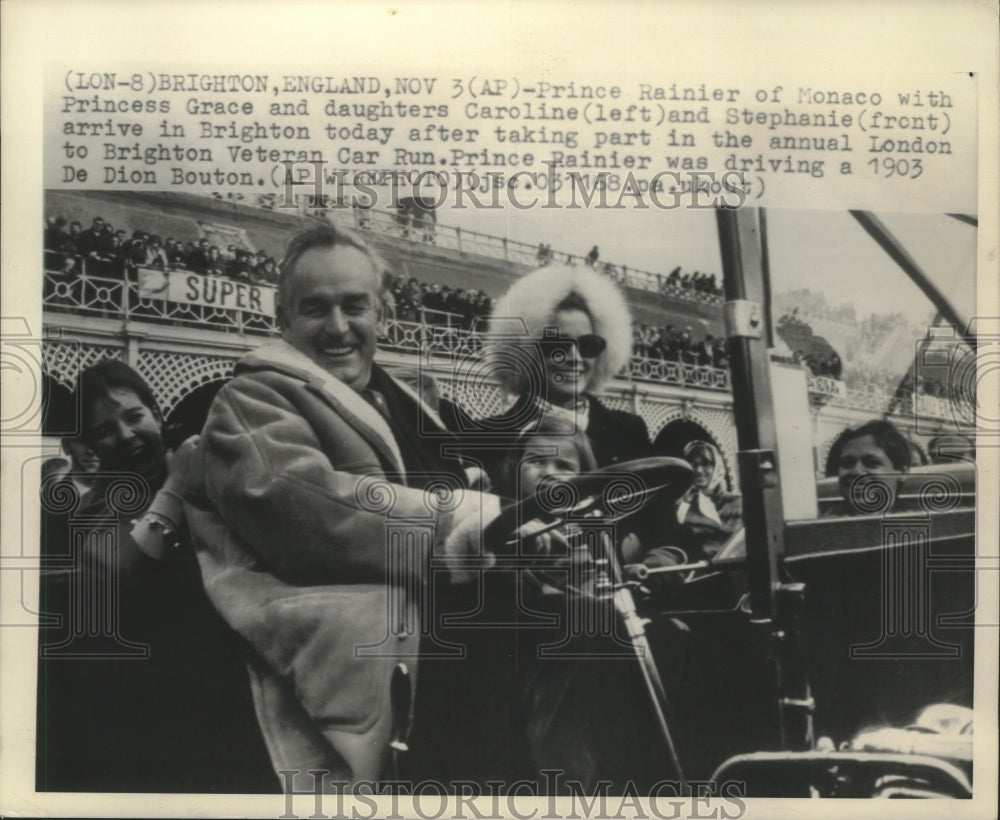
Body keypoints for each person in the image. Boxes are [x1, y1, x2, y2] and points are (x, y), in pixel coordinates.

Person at [183, 220, 504, 791]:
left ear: (382, 312)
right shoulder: (249, 397)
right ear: (283, 320)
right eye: (315, 309)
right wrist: (461, 520)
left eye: (355, 306)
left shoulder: (402, 398)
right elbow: (297, 505)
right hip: (370, 688)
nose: (338, 328)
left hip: (459, 672)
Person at [36, 359, 274, 793]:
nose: (126, 435)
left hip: (241, 693)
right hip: (162, 705)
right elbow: (120, 567)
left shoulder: (208, 467)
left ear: (158, 415)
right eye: (105, 430)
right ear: (90, 446)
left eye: (134, 416)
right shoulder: (98, 505)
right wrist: (175, 487)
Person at [468, 264, 651, 480]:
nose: (575, 358)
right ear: (525, 351)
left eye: (588, 345)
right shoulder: (484, 438)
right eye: (558, 346)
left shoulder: (630, 431)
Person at [674, 440, 742, 559]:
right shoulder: (684, 508)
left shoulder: (739, 502)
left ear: (717, 467)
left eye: (705, 464)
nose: (699, 470)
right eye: (694, 465)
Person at [834, 419, 911, 514]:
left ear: (902, 472)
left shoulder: (923, 525)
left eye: (871, 463)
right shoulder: (821, 527)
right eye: (847, 463)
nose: (857, 471)